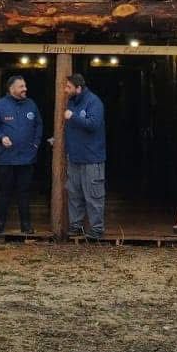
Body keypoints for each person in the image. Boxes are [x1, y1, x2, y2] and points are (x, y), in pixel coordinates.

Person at [0, 73, 42, 235]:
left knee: (24, 193)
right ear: (11, 89)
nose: (25, 89)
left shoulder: (31, 105)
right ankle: (0, 225)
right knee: (3, 193)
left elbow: (39, 125)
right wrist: (1, 137)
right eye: (21, 86)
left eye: (25, 86)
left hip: (26, 158)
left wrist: (36, 144)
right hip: (6, 159)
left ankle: (26, 225)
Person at [62, 72, 106, 240]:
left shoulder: (94, 102)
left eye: (68, 87)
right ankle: (76, 226)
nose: (66, 90)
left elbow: (93, 124)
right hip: (74, 157)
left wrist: (73, 117)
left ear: (78, 88)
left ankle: (96, 229)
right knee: (74, 193)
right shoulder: (72, 102)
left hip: (92, 158)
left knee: (93, 194)